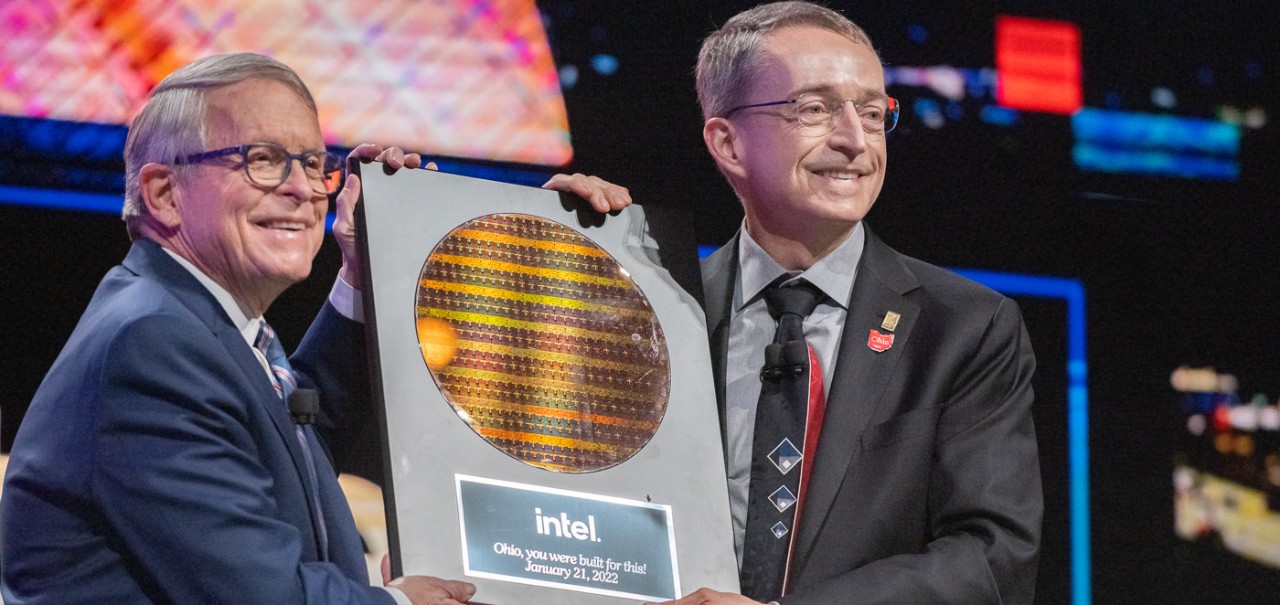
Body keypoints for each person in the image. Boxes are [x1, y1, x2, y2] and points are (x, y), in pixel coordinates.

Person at [0, 52, 629, 605]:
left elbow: (288, 452)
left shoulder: (191, 321)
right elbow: (260, 595)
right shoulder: (151, 345)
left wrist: (371, 270)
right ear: (164, 193)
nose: (303, 189)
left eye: (310, 162)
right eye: (263, 160)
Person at [652, 3, 1042, 604]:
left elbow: (991, 557)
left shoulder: (965, 329)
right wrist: (563, 250)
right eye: (815, 109)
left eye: (872, 113)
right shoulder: (661, 310)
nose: (855, 141)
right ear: (727, 142)